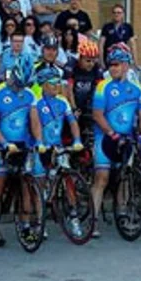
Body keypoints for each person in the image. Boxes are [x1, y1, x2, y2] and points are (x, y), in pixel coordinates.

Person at [89, 49, 141, 238]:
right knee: (102, 178)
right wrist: (111, 133)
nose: (112, 68)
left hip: (126, 138)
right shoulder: (103, 86)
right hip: (105, 138)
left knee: (125, 176)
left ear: (126, 66)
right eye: (110, 65)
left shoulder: (137, 90)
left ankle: (122, 212)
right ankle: (93, 220)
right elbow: (97, 115)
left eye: (116, 65)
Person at [0, 57, 40, 247]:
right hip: (1, 143)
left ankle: (25, 225)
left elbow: (34, 122)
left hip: (22, 143)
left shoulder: (29, 94)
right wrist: (4, 143)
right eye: (18, 84)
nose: (20, 89)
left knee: (26, 184)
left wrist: (39, 141)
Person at [32, 65, 84, 236]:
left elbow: (72, 122)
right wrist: (39, 143)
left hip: (58, 146)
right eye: (52, 83)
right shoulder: (37, 102)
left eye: (58, 82)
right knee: (39, 185)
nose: (57, 86)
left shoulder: (63, 101)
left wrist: (77, 140)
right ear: (44, 84)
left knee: (68, 182)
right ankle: (40, 222)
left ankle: (74, 218)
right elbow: (34, 125)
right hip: (42, 147)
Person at [70, 36, 104, 129]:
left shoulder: (97, 69)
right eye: (88, 61)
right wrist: (74, 108)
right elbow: (68, 90)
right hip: (73, 100)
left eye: (93, 61)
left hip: (88, 102)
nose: (91, 64)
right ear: (80, 58)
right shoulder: (72, 67)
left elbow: (100, 90)